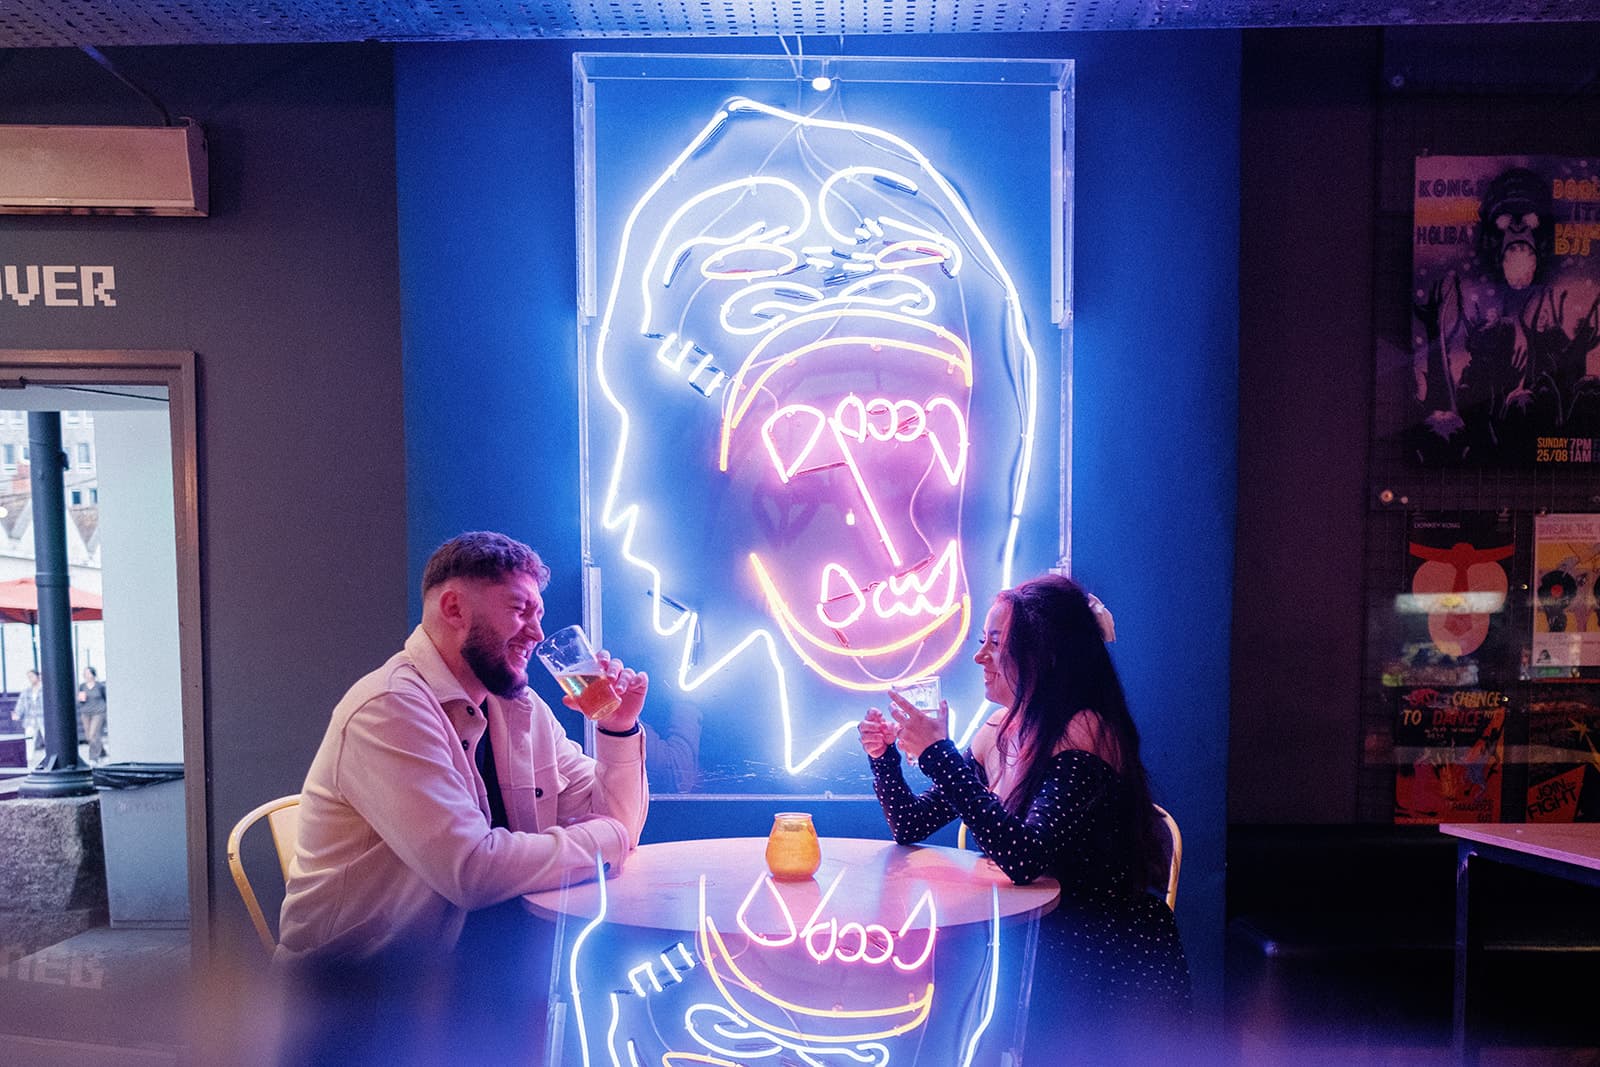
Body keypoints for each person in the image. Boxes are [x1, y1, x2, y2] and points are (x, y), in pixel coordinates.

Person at [274, 532, 650, 1061]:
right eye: (520, 609)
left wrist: (617, 729)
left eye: (539, 614)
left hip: (477, 973)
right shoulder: (390, 708)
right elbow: (472, 871)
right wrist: (608, 837)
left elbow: (617, 818)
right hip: (364, 1002)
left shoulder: (520, 709)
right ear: (454, 607)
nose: (538, 633)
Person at [859, 573, 1190, 1060]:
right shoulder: (1001, 728)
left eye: (996, 643)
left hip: (1103, 956)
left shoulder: (1086, 731)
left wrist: (939, 755)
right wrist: (886, 756)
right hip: (1035, 939)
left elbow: (1023, 856)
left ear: (1044, 655)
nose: (979, 657)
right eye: (982, 642)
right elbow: (909, 824)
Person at [76, 665, 107, 764]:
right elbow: (80, 700)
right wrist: (79, 699)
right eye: (85, 673)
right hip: (86, 712)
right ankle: (102, 752)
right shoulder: (82, 686)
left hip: (98, 712)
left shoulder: (100, 686)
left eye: (88, 673)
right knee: (89, 737)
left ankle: (93, 757)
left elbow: (105, 697)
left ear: (93, 674)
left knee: (93, 734)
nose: (86, 675)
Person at [17, 669, 44, 762]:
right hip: (31, 717)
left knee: (47, 737)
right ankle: (29, 757)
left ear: (38, 677)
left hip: (43, 717)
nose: (30, 679)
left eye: (32, 676)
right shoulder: (27, 691)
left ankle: (50, 755)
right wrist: (18, 713)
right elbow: (21, 703)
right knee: (29, 737)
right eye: (29, 677)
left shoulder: (44, 689)